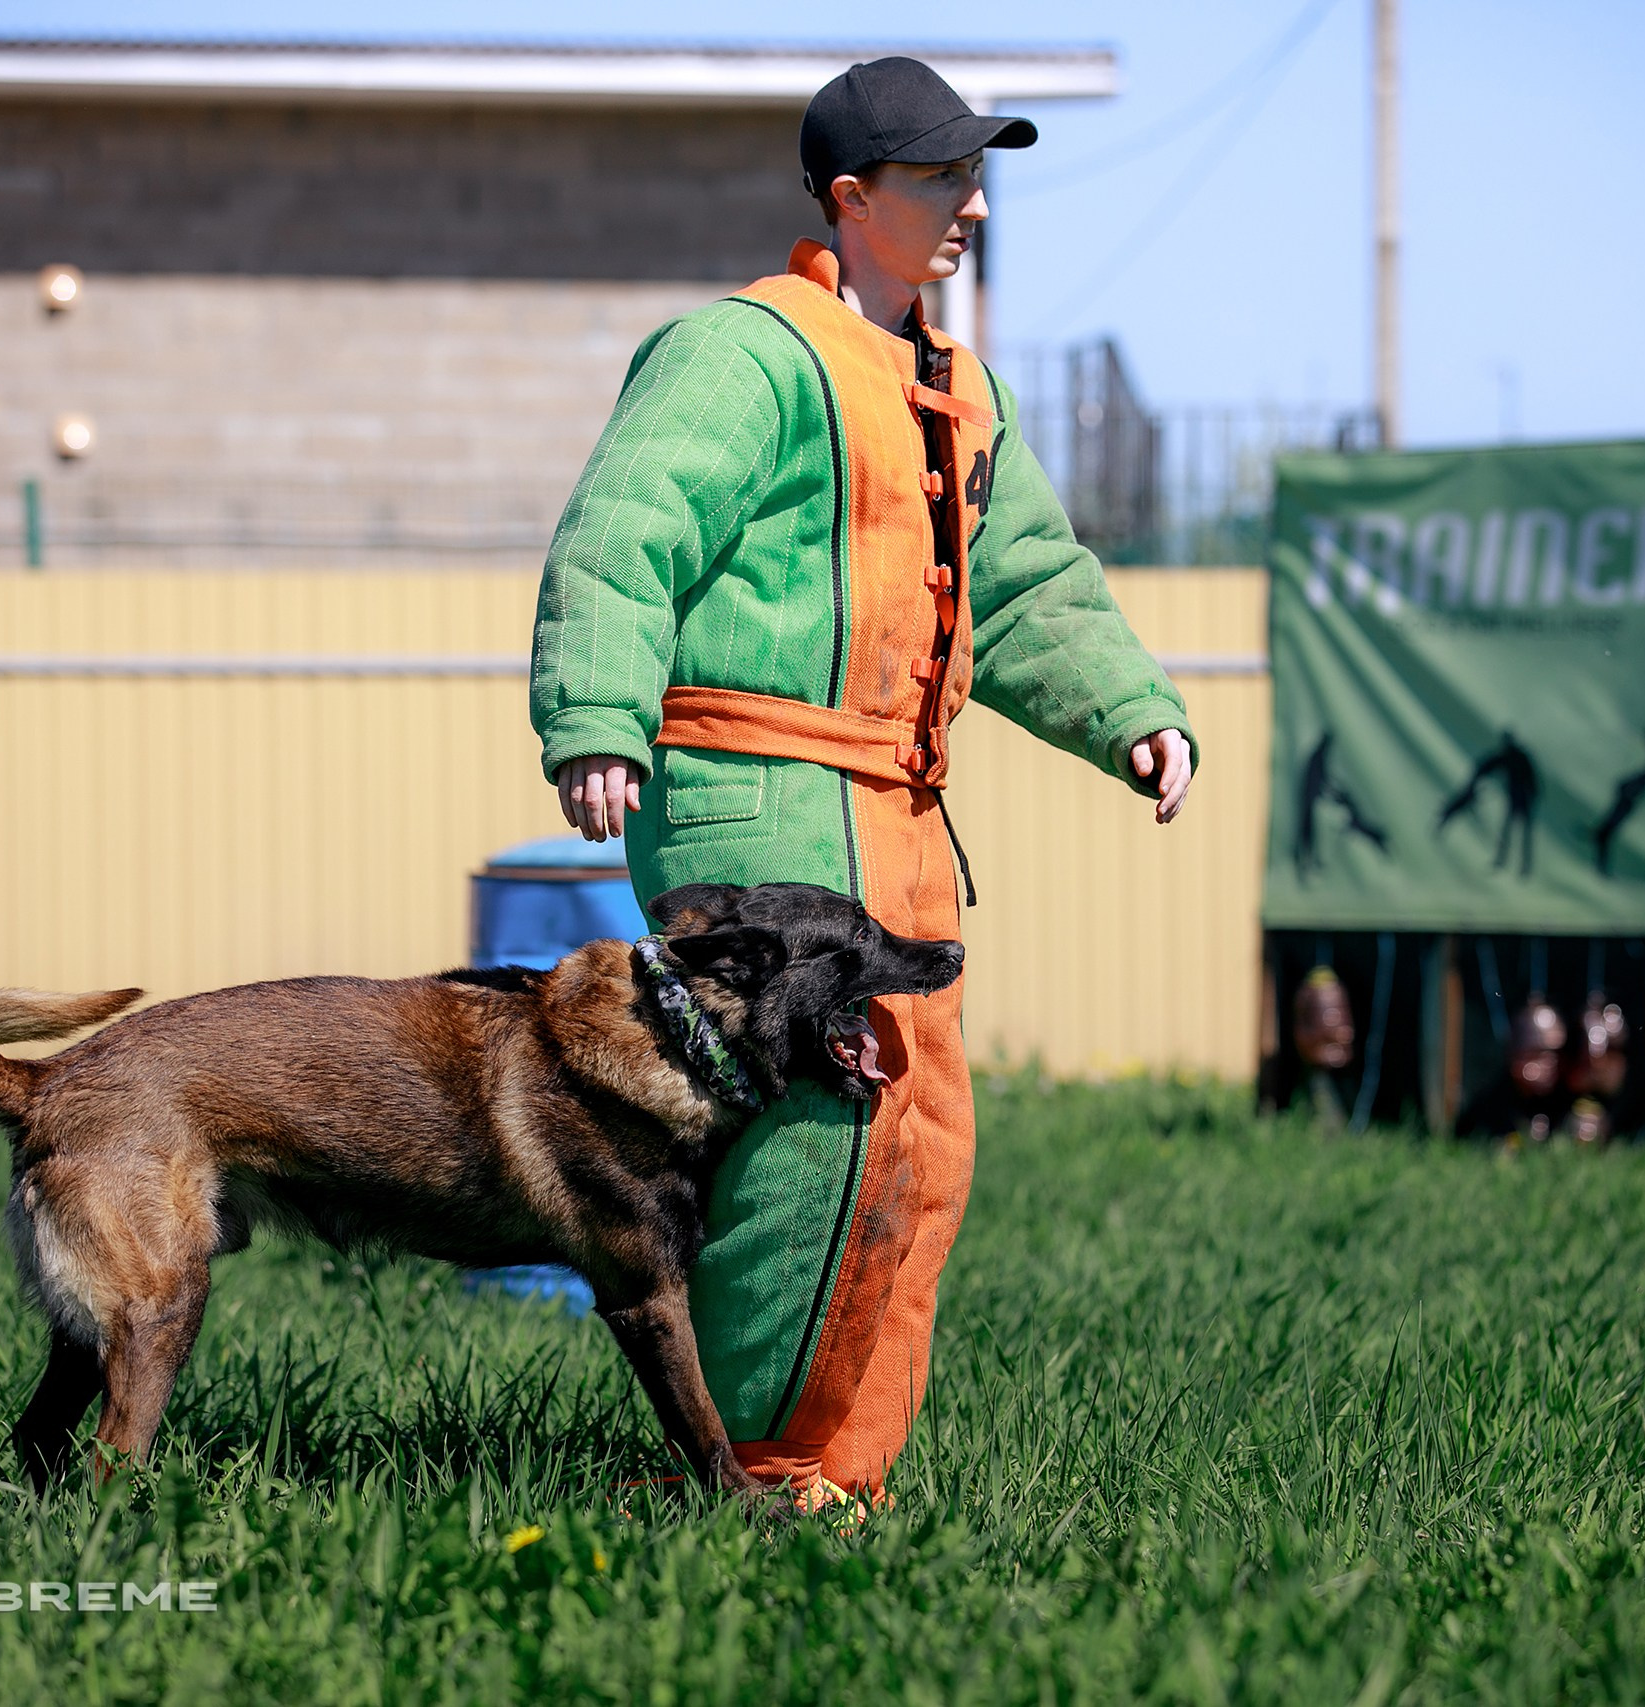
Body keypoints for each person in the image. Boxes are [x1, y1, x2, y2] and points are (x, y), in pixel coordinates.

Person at [529, 56, 1195, 1509]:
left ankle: (840, 1472)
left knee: (925, 1143)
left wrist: (1131, 713)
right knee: (820, 1138)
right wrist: (596, 715)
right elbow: (623, 530)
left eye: (976, 174)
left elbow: (1025, 589)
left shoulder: (959, 389)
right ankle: (750, 1467)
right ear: (851, 196)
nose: (969, 201)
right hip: (759, 782)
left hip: (899, 808)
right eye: (939, 177)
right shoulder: (741, 354)